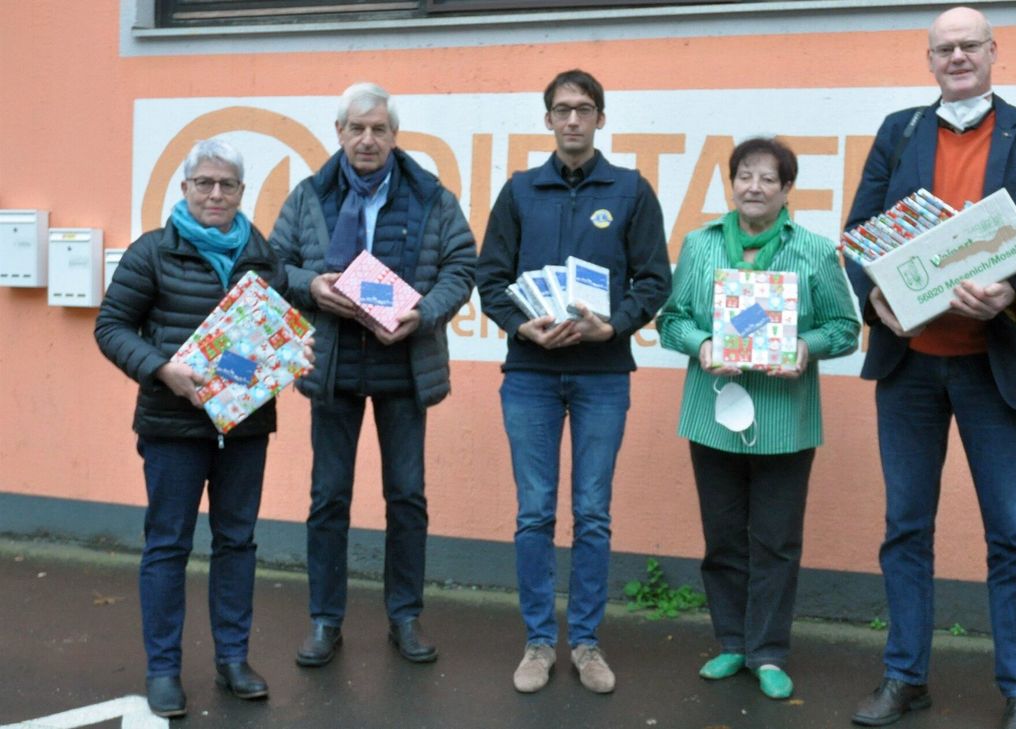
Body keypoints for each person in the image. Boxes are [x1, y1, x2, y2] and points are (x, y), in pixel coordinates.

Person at [843, 7, 1016, 729]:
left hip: (994, 366)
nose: (957, 56)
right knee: (905, 528)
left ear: (992, 52)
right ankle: (904, 677)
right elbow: (859, 237)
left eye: (968, 45)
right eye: (943, 48)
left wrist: (1013, 291)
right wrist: (876, 295)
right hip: (910, 364)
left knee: (1012, 532)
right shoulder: (901, 132)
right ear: (929, 59)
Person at [476, 69, 671, 694]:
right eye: (561, 110)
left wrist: (611, 327)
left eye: (584, 109)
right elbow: (490, 279)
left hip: (601, 376)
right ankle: (538, 641)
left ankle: (585, 642)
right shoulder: (519, 192)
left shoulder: (633, 190)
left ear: (601, 119)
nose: (572, 120)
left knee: (592, 514)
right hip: (530, 373)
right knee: (534, 514)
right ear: (548, 119)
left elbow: (654, 282)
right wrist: (522, 329)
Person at [269, 82, 476, 668]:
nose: (367, 139)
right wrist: (310, 285)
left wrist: (425, 313)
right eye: (356, 128)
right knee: (328, 498)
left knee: (406, 497)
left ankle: (405, 617)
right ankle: (324, 620)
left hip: (404, 367)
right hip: (332, 366)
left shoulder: (432, 197)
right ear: (339, 132)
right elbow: (273, 263)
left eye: (378, 129)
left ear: (394, 136)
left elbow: (463, 266)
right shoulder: (309, 196)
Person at [656, 137, 859, 700]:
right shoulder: (699, 246)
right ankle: (731, 644)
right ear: (731, 182)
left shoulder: (815, 251)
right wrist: (699, 344)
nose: (754, 187)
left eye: (768, 178)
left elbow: (846, 328)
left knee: (775, 542)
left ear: (787, 189)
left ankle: (768, 651)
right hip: (711, 414)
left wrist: (805, 347)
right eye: (745, 175)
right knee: (722, 539)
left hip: (783, 421)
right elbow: (669, 320)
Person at [94, 138, 288, 718]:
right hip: (172, 426)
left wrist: (283, 360)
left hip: (245, 428)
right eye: (203, 183)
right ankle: (163, 670)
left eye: (227, 185)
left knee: (237, 543)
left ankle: (232, 660)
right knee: (168, 546)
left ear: (241, 193)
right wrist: (160, 369)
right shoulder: (152, 253)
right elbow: (111, 326)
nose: (215, 193)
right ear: (184, 189)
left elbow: (274, 332)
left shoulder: (263, 254)